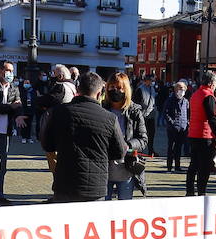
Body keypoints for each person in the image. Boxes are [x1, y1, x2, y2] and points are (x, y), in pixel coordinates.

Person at [41, 71, 126, 203]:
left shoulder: (58, 112)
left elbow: (47, 144)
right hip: (95, 187)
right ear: (99, 93)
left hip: (65, 183)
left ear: (78, 89)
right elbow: (119, 152)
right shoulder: (109, 118)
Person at [104, 72, 148, 200]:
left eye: (119, 88)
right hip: (105, 170)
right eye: (111, 87)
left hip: (127, 170)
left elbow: (143, 139)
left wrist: (127, 145)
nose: (115, 90)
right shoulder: (102, 109)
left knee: (124, 211)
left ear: (126, 89)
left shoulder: (135, 112)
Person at [0, 60, 24, 206]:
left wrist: (19, 114)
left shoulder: (15, 88)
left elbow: (18, 106)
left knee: (2, 164)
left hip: (6, 131)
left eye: (12, 70)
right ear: (0, 70)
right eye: (7, 70)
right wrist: (11, 107)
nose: (10, 73)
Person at [184, 71, 216, 196]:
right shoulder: (208, 96)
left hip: (193, 133)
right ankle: (201, 192)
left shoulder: (195, 94)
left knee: (193, 165)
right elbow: (212, 118)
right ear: (212, 83)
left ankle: (190, 191)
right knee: (204, 167)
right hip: (205, 135)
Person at [162, 80, 189, 172]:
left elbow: (188, 113)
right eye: (180, 88)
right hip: (172, 128)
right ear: (175, 89)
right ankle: (169, 166)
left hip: (183, 128)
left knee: (178, 148)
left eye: (183, 89)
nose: (182, 90)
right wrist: (172, 123)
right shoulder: (170, 100)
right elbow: (165, 113)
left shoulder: (185, 101)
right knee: (171, 148)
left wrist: (187, 123)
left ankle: (177, 166)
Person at [133, 73, 157, 157]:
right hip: (143, 116)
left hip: (151, 115)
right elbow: (135, 101)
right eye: (150, 80)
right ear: (146, 81)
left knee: (152, 134)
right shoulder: (140, 89)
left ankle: (151, 150)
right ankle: (139, 151)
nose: (152, 82)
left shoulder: (153, 89)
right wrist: (142, 106)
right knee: (141, 134)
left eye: (152, 81)